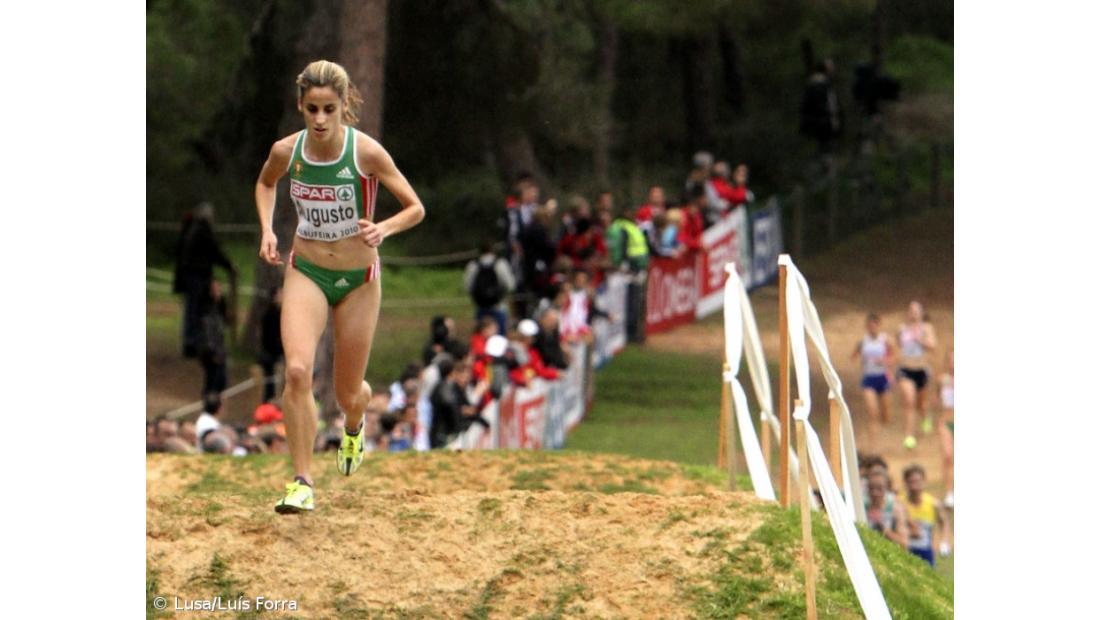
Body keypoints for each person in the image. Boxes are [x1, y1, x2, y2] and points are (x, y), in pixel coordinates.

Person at [254, 60, 426, 514]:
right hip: (306, 270)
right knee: (296, 372)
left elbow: (415, 207)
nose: (320, 119)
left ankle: (355, 423)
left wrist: (383, 229)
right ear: (300, 105)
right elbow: (265, 183)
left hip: (358, 282)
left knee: (349, 392)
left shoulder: (366, 153)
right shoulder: (286, 152)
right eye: (311, 109)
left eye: (329, 109)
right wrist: (268, 230)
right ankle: (302, 481)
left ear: (343, 106)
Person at [173, 202, 237, 359]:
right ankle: (193, 344)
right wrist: (229, 265)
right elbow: (214, 251)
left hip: (191, 275)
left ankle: (192, 343)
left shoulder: (193, 229)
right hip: (196, 276)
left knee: (192, 310)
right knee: (195, 310)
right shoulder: (202, 230)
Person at [896, 301, 937, 450]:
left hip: (921, 369)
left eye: (916, 310)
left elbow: (933, 346)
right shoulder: (902, 329)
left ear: (921, 313)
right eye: (911, 310)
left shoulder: (926, 328)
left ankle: (926, 417)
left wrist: (919, 339)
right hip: (905, 369)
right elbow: (898, 346)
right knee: (909, 400)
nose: (913, 313)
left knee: (921, 403)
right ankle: (909, 436)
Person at [851, 313, 895, 450]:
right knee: (872, 413)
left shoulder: (886, 340)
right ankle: (873, 446)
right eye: (870, 326)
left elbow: (896, 355)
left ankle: (885, 436)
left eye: (875, 325)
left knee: (886, 414)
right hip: (868, 379)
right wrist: (860, 362)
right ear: (867, 327)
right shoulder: (863, 342)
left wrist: (886, 361)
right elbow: (853, 357)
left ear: (879, 326)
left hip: (882, 377)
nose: (873, 328)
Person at [900, 464, 951, 566]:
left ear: (924, 481)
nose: (915, 486)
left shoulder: (933, 504)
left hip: (926, 552)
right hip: (903, 551)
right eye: (911, 482)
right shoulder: (899, 502)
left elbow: (944, 522)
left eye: (918, 481)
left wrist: (944, 542)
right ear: (905, 483)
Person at [464, 240, 515, 336]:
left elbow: (468, 287)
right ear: (493, 250)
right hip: (498, 305)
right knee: (500, 338)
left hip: (480, 306)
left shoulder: (473, 265)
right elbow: (510, 285)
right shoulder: (500, 263)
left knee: (480, 337)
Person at [864, 469, 909, 548]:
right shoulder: (862, 508)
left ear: (887, 487)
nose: (875, 493)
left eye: (879, 488)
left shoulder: (895, 510)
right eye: (871, 488)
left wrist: (884, 530)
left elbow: (904, 543)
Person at [257, 284, 284, 403]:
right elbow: (269, 339)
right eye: (280, 294)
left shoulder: (281, 313)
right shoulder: (270, 315)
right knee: (270, 385)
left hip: (277, 353)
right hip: (270, 355)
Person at [939, 349, 955, 508]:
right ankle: (949, 493)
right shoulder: (942, 380)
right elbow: (935, 401)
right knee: (948, 456)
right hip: (946, 422)